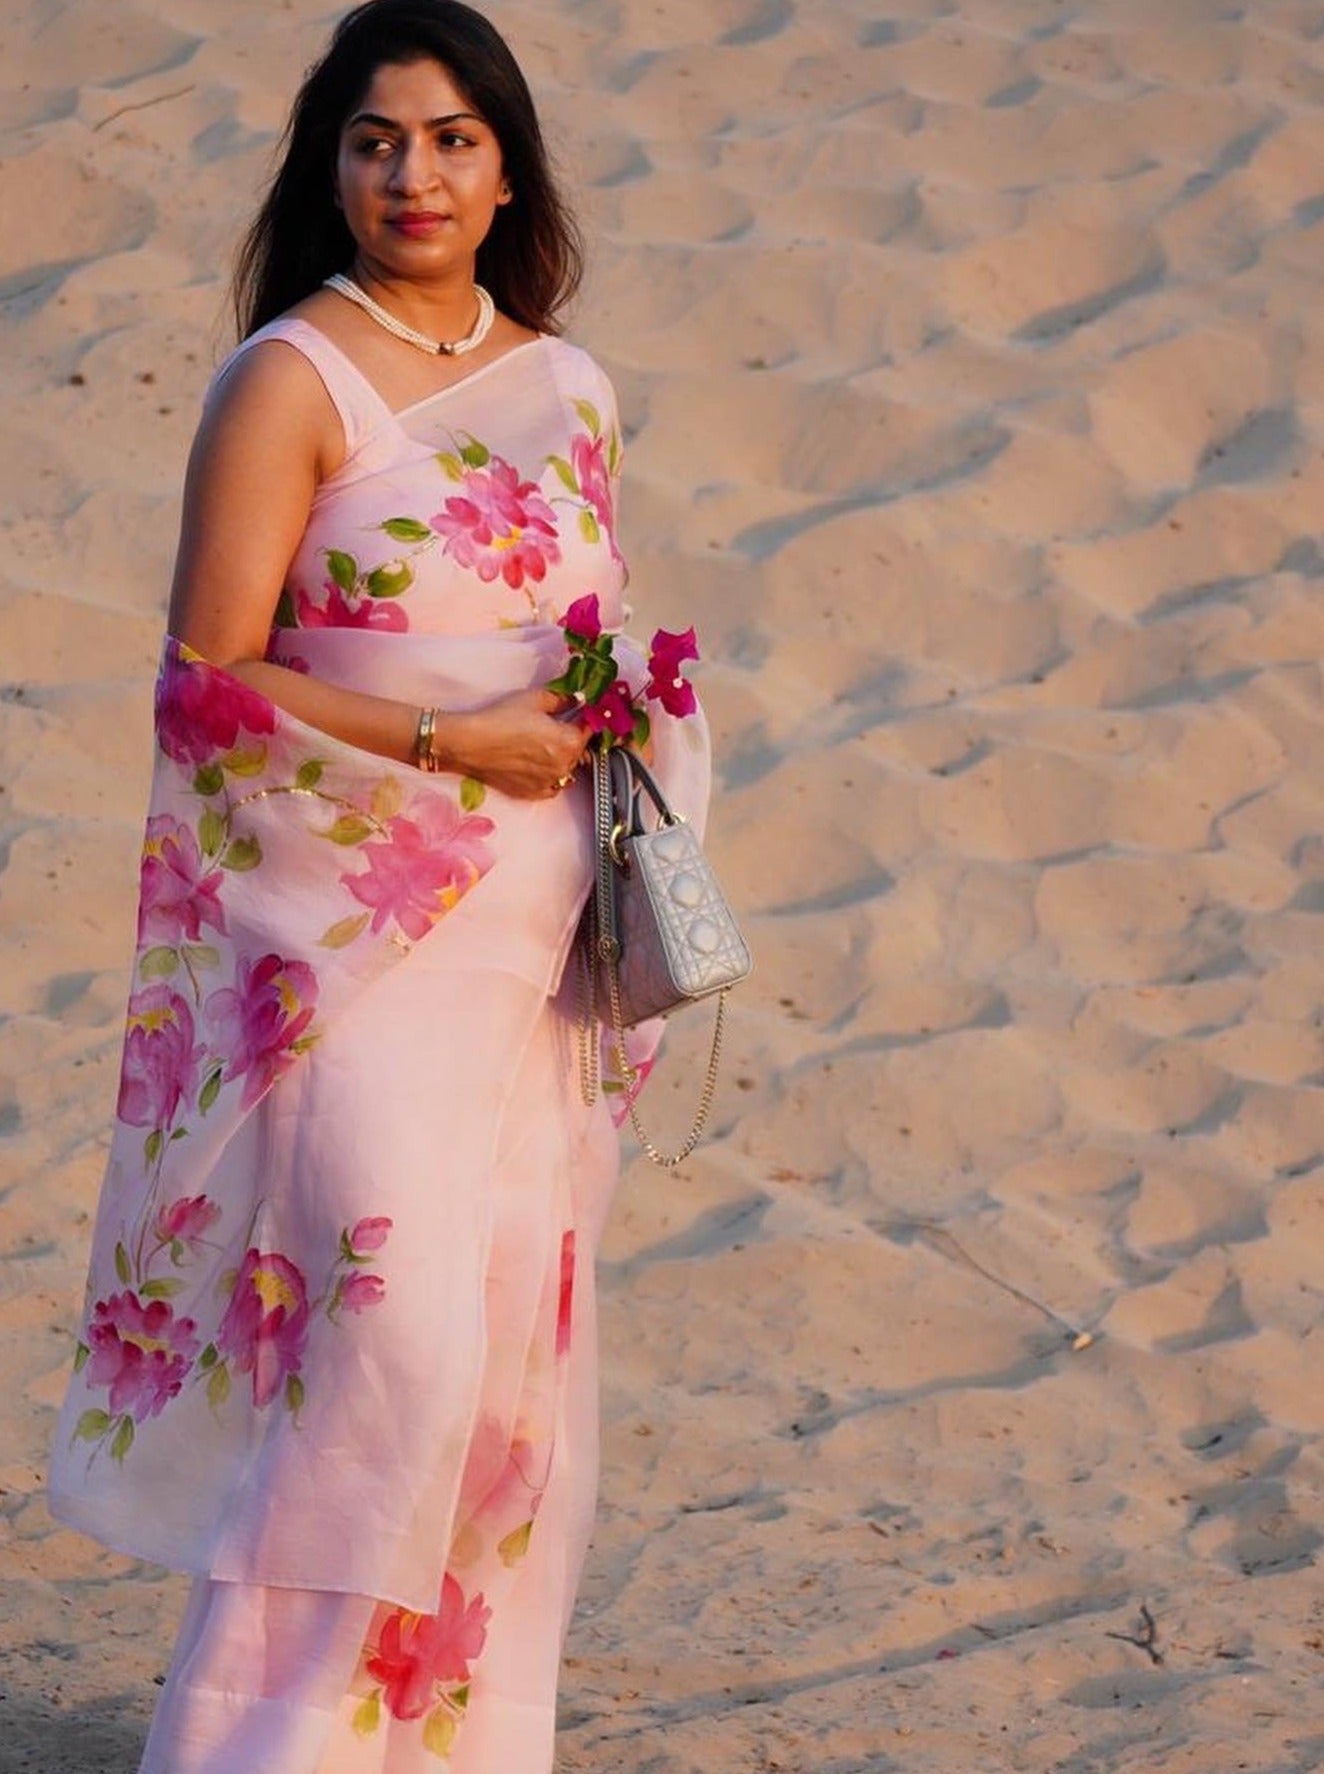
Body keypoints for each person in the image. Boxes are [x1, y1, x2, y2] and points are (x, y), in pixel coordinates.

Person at [46, 4, 710, 1770]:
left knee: (510, 1362)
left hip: (541, 926)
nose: (410, 174)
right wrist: (450, 753)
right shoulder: (292, 379)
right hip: (350, 928)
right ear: (326, 164)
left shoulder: (570, 385)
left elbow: (589, 640)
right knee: (389, 1341)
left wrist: (621, 730)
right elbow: (207, 680)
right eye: (372, 139)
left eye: (448, 140)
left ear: (508, 171)